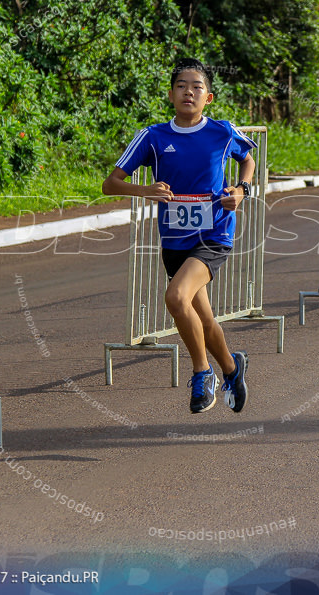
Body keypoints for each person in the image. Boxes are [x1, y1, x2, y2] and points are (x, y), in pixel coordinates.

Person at [102, 58, 255, 413]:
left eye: (197, 87)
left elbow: (247, 158)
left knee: (175, 297)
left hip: (214, 235)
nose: (189, 92)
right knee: (202, 318)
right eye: (182, 86)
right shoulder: (153, 137)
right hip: (174, 241)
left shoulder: (222, 131)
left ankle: (203, 373)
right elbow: (111, 183)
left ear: (209, 97)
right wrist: (147, 191)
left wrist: (241, 190)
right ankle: (232, 368)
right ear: (171, 94)